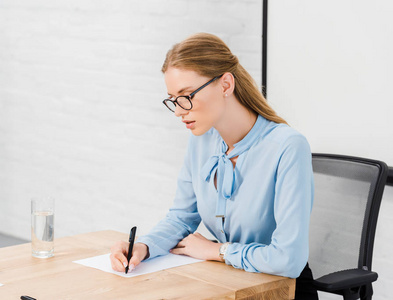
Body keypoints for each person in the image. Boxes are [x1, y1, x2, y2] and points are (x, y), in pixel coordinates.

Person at [110, 33, 317, 299]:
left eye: (186, 96)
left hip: (279, 291)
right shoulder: (202, 139)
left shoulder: (288, 147)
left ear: (225, 84)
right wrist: (143, 247)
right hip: (226, 285)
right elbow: (181, 218)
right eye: (173, 99)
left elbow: (289, 259)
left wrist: (217, 250)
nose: (178, 111)